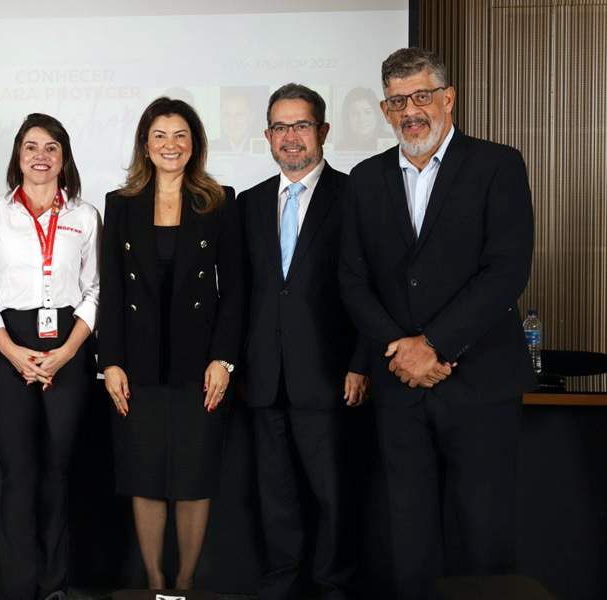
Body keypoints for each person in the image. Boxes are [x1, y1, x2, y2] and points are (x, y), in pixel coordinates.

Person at [339, 48, 535, 599]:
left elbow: (506, 271)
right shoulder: (365, 179)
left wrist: (435, 345)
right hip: (401, 386)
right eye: (398, 101)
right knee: (408, 532)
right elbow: (353, 282)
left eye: (422, 96)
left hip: (480, 383)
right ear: (384, 109)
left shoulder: (499, 165)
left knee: (484, 530)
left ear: (448, 98)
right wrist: (402, 352)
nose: (411, 111)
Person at [99, 97, 244, 590]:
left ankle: (183, 583)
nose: (170, 145)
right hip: (137, 366)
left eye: (180, 135)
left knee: (193, 478)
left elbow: (237, 290)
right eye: (160, 135)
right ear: (145, 143)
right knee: (144, 477)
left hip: (199, 363)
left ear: (195, 144)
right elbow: (112, 290)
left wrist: (224, 359)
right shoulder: (119, 205)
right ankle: (156, 579)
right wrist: (110, 361)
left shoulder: (218, 200)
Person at [238, 83, 368, 600]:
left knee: (334, 497)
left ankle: (333, 589)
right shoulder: (248, 204)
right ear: (267, 136)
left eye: (301, 125)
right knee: (276, 500)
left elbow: (369, 285)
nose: (290, 138)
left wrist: (361, 362)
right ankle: (280, 587)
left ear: (323, 132)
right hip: (266, 381)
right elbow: (244, 296)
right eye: (280, 127)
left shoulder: (355, 196)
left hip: (331, 376)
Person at [0, 113, 100, 600]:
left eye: (51, 148)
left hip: (68, 346)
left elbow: (95, 291)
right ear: (18, 156)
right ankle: (18, 588)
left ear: (64, 159)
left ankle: (53, 585)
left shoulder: (85, 217)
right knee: (18, 475)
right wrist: (10, 351)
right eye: (30, 147)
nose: (40, 156)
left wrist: (64, 353)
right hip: (9, 346)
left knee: (58, 473)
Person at [336, 87, 387, 151]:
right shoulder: (341, 149)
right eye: (355, 113)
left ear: (377, 115)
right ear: (347, 119)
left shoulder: (392, 143)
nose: (362, 119)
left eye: (367, 112)